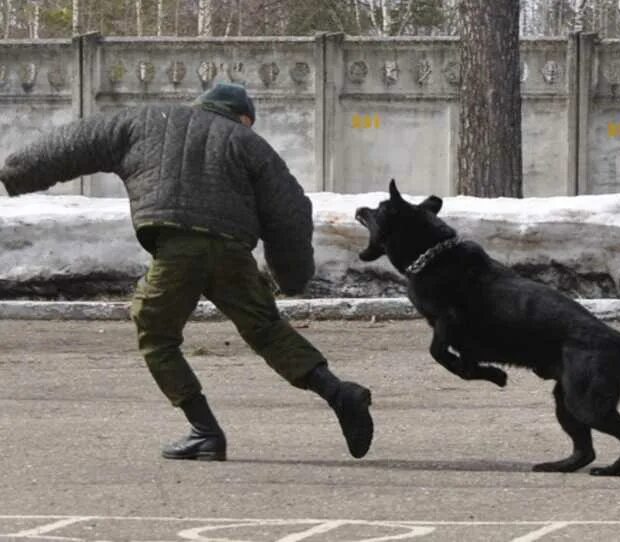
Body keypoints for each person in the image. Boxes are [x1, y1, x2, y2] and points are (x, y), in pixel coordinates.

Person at [0, 82, 374, 461]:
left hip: (177, 244)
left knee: (156, 332)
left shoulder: (143, 122)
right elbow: (290, 210)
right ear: (242, 117)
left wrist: (14, 172)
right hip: (231, 250)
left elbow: (73, 143)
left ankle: (205, 430)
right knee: (266, 330)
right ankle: (339, 393)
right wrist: (292, 277)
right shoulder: (250, 144)